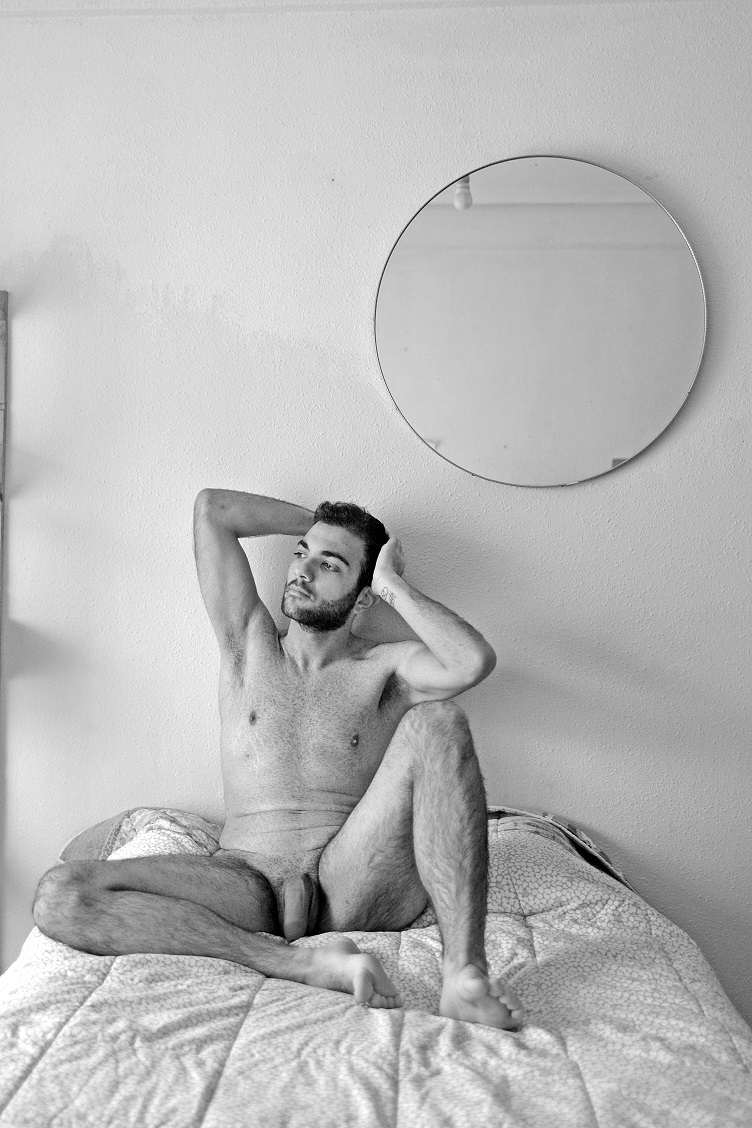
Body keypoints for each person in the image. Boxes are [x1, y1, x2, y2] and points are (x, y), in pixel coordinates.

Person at [33, 490, 523, 1029]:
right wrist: (322, 526)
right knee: (61, 894)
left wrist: (391, 584)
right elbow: (214, 510)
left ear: (363, 598)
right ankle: (297, 964)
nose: (303, 571)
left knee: (440, 722)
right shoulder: (247, 643)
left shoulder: (386, 669)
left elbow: (470, 662)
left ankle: (463, 976)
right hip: (245, 879)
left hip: (349, 877)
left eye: (329, 565)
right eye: (301, 553)